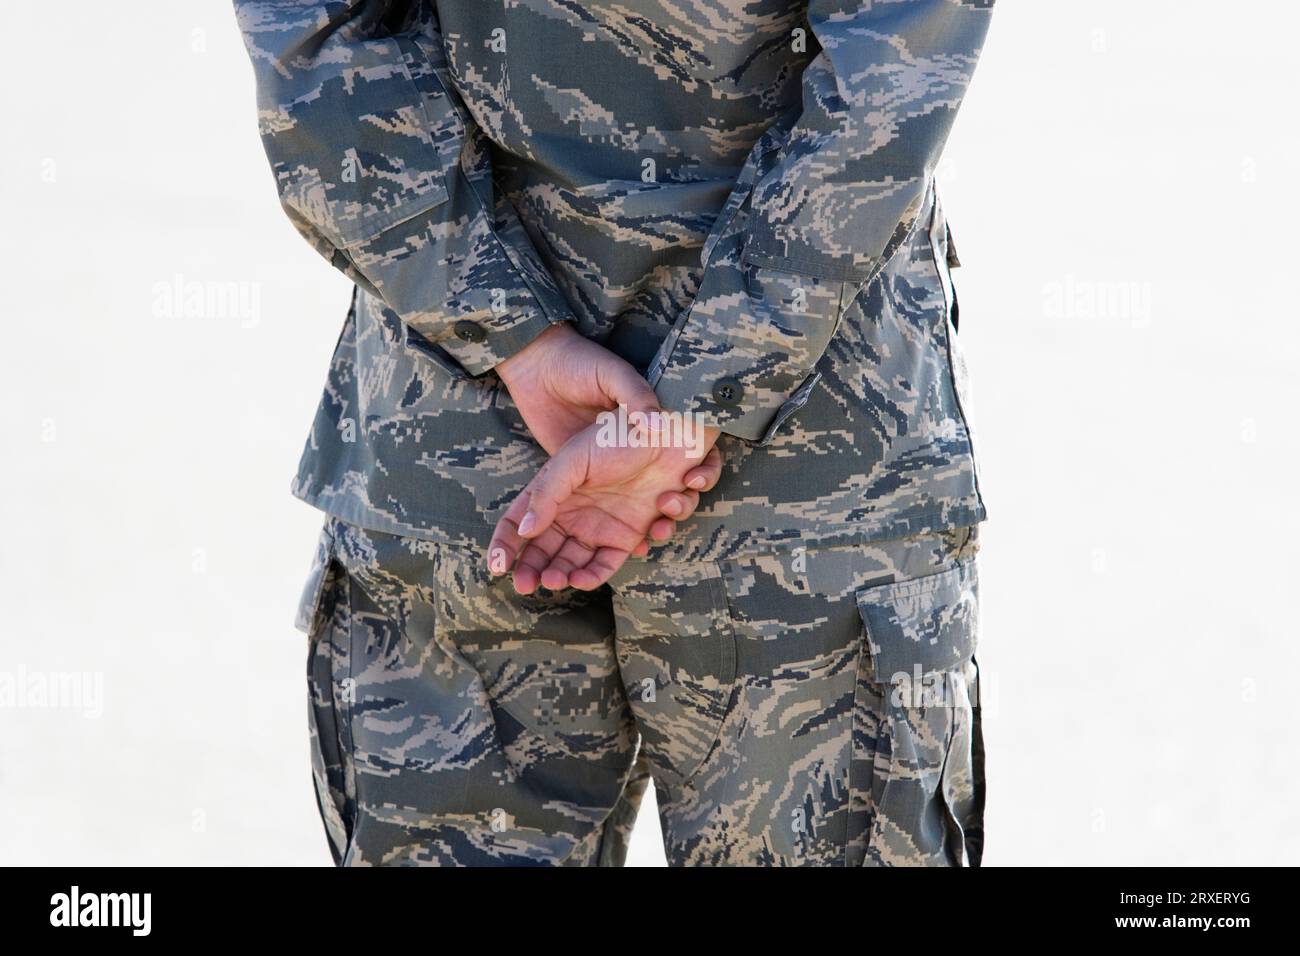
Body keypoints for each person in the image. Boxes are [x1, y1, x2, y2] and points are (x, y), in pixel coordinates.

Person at [235, 0, 994, 866]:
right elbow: (891, 77)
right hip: (805, 472)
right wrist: (695, 396)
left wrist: (513, 333)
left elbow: (315, 38)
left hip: (462, 450)